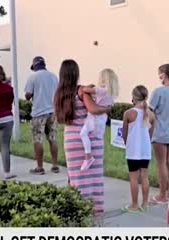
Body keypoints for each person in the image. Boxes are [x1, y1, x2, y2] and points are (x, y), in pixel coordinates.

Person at [54, 59, 110, 222]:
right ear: (76, 73)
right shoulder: (81, 91)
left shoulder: (59, 94)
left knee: (76, 176)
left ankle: (77, 207)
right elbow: (93, 109)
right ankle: (95, 208)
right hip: (88, 138)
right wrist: (107, 108)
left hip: (71, 138)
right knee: (94, 175)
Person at [149, 64, 169, 204]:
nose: (159, 77)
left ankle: (162, 196)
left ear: (165, 75)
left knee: (161, 164)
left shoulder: (158, 92)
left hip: (159, 133)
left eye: (159, 74)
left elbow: (149, 112)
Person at [122, 85, 155, 213]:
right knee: (145, 177)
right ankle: (145, 204)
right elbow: (150, 135)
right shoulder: (151, 115)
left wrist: (127, 144)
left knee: (134, 178)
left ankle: (134, 205)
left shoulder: (128, 113)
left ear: (133, 98)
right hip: (145, 151)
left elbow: (124, 134)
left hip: (133, 151)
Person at [25, 56, 60, 175]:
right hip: (52, 112)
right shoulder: (54, 76)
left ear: (34, 66)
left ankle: (40, 167)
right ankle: (55, 165)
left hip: (38, 113)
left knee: (38, 140)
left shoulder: (33, 77)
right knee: (53, 138)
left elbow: (28, 95)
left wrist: (31, 95)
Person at [80, 68, 119, 170]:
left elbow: (84, 90)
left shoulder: (102, 90)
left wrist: (90, 86)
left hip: (95, 118)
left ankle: (88, 157)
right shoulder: (110, 93)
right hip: (102, 118)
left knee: (83, 134)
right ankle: (95, 160)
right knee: (97, 138)